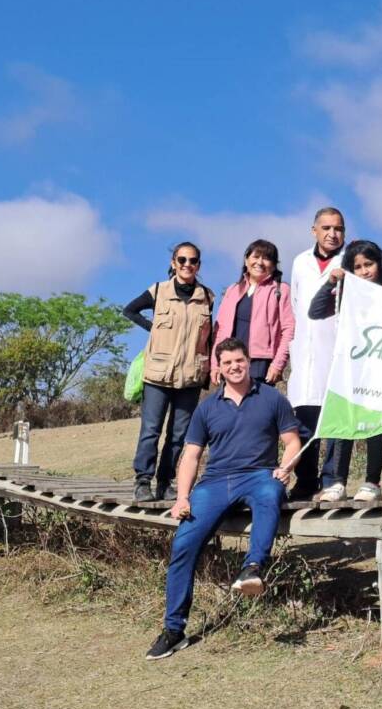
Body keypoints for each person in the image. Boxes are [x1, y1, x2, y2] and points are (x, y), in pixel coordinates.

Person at [145, 337, 302, 660]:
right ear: (220, 368)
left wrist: (285, 469)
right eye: (228, 363)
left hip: (259, 474)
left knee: (271, 494)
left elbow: (292, 442)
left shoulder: (272, 398)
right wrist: (183, 497)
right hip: (215, 483)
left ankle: (252, 568)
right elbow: (190, 456)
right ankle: (174, 630)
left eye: (239, 361)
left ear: (248, 361)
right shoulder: (207, 408)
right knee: (183, 545)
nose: (235, 367)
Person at [308, 239, 382, 503]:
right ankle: (338, 482)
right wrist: (330, 282)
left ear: (379, 264)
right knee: (344, 424)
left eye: (368, 264)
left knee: (375, 426)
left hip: (380, 369)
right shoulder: (344, 294)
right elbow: (314, 312)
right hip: (349, 370)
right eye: (357, 266)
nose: (364, 271)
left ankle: (373, 482)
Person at [122, 242, 215, 503]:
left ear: (198, 265)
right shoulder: (159, 291)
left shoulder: (207, 297)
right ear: (174, 263)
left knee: (178, 434)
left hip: (190, 377)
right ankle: (142, 482)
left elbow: (208, 338)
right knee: (150, 430)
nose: (188, 265)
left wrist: (207, 372)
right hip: (157, 375)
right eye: (182, 260)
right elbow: (129, 309)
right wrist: (152, 328)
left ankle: (165, 482)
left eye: (193, 261)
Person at [288, 207, 348, 501]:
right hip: (305, 352)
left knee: (334, 418)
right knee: (304, 421)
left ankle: (332, 479)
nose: (332, 234)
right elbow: (296, 305)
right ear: (314, 230)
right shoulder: (300, 262)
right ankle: (306, 480)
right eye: (326, 228)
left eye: (338, 228)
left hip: (338, 351)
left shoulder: (351, 262)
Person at [212, 239, 295, 387]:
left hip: (261, 365)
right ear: (246, 260)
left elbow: (289, 330)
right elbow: (220, 330)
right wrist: (215, 363)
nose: (260, 262)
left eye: (266, 258)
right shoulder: (232, 290)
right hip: (230, 362)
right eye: (256, 257)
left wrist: (277, 364)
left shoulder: (281, 290)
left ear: (274, 265)